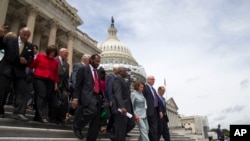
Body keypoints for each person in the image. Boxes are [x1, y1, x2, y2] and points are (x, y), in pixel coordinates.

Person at [0, 26, 34, 121]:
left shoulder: (30, 46)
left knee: (22, 91)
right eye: (24, 35)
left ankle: (18, 113)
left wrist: (26, 62)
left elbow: (31, 60)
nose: (26, 37)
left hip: (20, 71)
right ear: (20, 33)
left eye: (28, 36)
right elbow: (1, 46)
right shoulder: (10, 40)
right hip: (7, 68)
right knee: (2, 90)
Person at [71, 54, 102, 140]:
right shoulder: (83, 69)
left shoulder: (98, 72)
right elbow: (78, 85)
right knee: (92, 111)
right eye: (96, 61)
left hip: (97, 96)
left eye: (99, 62)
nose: (98, 63)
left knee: (96, 120)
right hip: (87, 95)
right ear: (91, 60)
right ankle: (77, 126)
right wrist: (75, 98)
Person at [29, 45, 58, 123]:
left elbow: (55, 73)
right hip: (39, 78)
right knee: (42, 95)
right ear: (48, 51)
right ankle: (43, 116)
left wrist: (55, 83)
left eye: (54, 53)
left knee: (46, 97)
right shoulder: (40, 56)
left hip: (50, 80)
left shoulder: (55, 61)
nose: (52, 54)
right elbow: (33, 65)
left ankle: (37, 116)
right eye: (51, 52)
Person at [111, 66, 135, 141]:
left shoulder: (123, 80)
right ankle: (116, 135)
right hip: (121, 108)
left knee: (131, 123)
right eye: (125, 71)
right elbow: (118, 94)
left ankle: (115, 134)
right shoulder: (117, 79)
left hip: (127, 108)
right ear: (121, 72)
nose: (127, 73)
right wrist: (122, 107)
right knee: (121, 129)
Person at [50, 48, 70, 124]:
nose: (66, 55)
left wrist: (67, 87)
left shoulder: (67, 64)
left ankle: (61, 117)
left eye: (67, 54)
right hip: (55, 84)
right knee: (55, 102)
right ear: (60, 53)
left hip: (63, 86)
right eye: (65, 53)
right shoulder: (55, 60)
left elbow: (67, 77)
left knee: (64, 102)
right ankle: (53, 117)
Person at [143, 75, 162, 141]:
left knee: (155, 128)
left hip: (155, 111)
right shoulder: (145, 87)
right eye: (152, 79)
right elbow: (143, 99)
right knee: (153, 128)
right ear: (148, 80)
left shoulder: (153, 89)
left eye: (154, 79)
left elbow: (157, 100)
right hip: (149, 111)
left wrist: (160, 111)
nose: (154, 81)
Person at [105, 65, 119, 135]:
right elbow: (109, 89)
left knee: (113, 115)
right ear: (114, 70)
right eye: (117, 70)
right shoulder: (111, 77)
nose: (118, 71)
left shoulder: (117, 78)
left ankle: (109, 128)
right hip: (111, 100)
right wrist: (110, 100)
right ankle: (106, 127)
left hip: (115, 100)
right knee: (109, 114)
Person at [26, 44, 39, 110]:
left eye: (34, 48)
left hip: (33, 74)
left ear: (37, 50)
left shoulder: (38, 57)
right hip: (26, 73)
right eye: (32, 48)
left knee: (31, 90)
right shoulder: (28, 55)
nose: (33, 50)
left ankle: (28, 104)